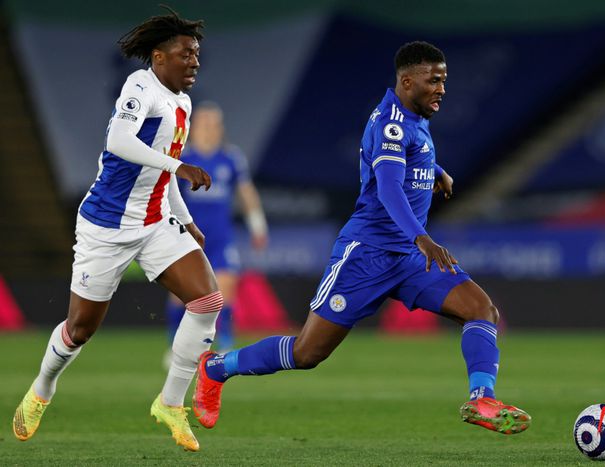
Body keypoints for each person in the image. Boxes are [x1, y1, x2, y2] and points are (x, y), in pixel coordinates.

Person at [192, 41, 531, 435]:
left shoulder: (413, 116)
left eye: (444, 81)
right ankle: (217, 367)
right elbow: (388, 187)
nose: (442, 89)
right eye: (434, 81)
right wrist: (422, 238)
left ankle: (481, 399)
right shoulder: (390, 123)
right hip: (366, 255)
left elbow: (406, 153)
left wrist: (434, 169)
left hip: (408, 258)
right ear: (408, 81)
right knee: (307, 352)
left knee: (481, 309)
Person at [13, 8, 220, 452]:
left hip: (154, 220)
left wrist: (186, 221)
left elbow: (162, 171)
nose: (195, 62)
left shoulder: (183, 103)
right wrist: (180, 166)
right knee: (80, 330)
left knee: (207, 301)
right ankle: (43, 387)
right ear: (159, 56)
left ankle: (170, 403)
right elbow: (119, 142)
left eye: (197, 55)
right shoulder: (140, 86)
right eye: (186, 54)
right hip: (106, 225)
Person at [164, 101, 268, 356]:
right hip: (187, 238)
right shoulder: (182, 159)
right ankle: (173, 348)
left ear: (221, 128)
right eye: (205, 124)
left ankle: (224, 346)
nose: (210, 129)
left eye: (214, 124)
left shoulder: (231, 158)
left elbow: (246, 192)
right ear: (194, 127)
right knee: (180, 295)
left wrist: (258, 225)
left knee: (225, 291)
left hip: (221, 238)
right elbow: (165, 194)